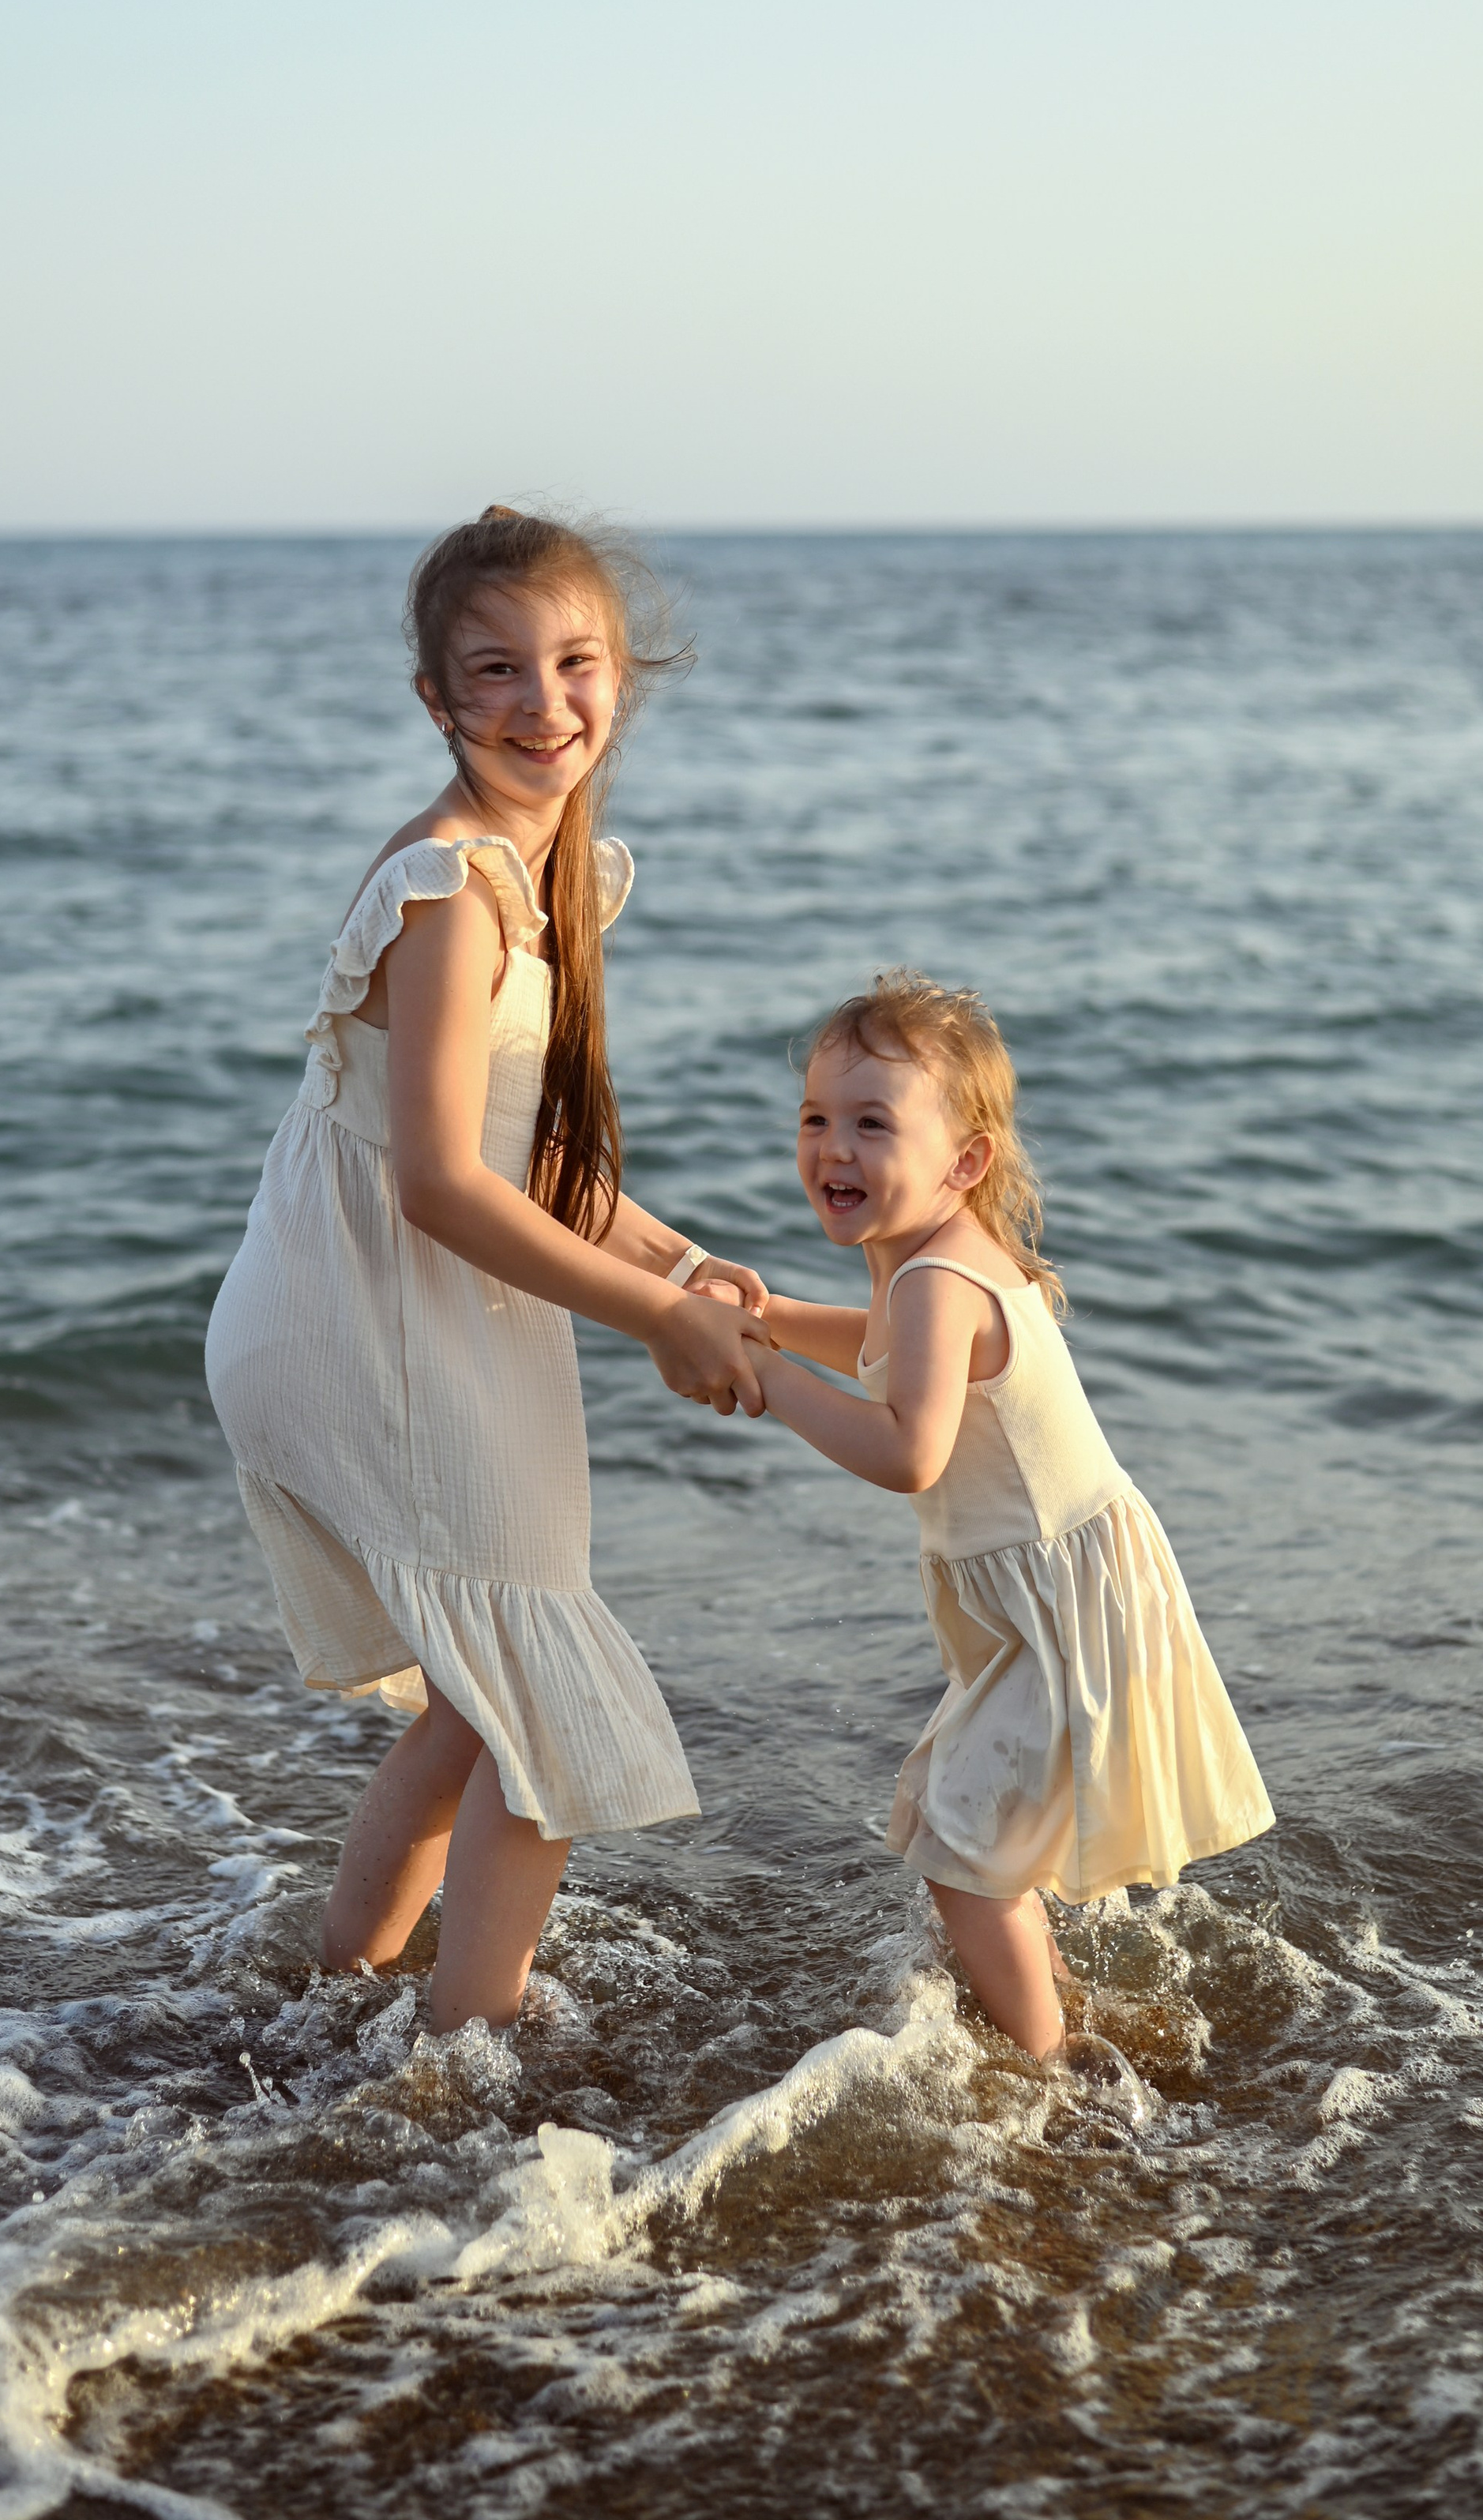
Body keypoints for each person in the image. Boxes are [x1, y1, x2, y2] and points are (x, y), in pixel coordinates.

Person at [205, 508, 769, 2034]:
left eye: (575, 662)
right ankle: (466, 2065)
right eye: (495, 669)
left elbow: (539, 1160)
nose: (544, 701)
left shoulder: (537, 871)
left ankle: (349, 1994)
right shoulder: (453, 889)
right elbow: (450, 1185)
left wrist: (698, 1268)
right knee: (541, 1710)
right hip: (370, 1315)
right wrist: (653, 1312)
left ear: (622, 678)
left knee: (484, 1696)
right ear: (437, 699)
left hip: (375, 1298)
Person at [739, 970, 1273, 2060]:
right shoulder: (922, 1263)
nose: (833, 1149)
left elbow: (906, 1451)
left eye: (872, 1124)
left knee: (963, 1856)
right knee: (973, 1832)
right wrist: (777, 1319)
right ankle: (1060, 2008)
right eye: (816, 1120)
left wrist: (767, 1379)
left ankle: (1047, 2067)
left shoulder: (939, 1278)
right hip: (1051, 1596)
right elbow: (885, 1348)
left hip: (1060, 1608)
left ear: (966, 1159)